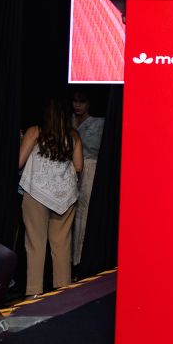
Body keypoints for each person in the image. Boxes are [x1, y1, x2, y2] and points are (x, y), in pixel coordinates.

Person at [18, 97, 83, 296]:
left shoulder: (35, 131)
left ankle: (34, 292)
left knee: (35, 244)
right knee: (62, 245)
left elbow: (19, 162)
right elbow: (78, 166)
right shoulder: (73, 135)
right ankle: (63, 293)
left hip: (37, 193)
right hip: (65, 197)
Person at [70, 88, 104, 267]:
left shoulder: (98, 123)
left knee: (83, 212)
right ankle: (68, 258)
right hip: (68, 169)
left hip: (89, 168)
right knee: (68, 210)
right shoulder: (68, 120)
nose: (77, 105)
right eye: (75, 101)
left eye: (82, 101)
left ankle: (80, 258)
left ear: (89, 103)